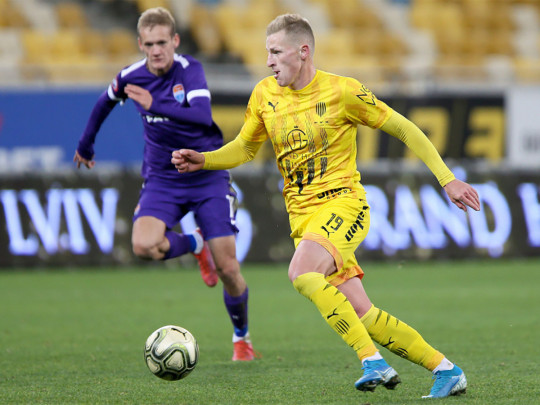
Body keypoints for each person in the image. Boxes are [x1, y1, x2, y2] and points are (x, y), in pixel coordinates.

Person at [172, 13, 481, 398]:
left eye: (276, 52)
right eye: (267, 52)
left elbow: (403, 127)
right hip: (304, 219)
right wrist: (205, 159)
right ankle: (446, 370)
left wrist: (447, 178)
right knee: (364, 314)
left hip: (344, 205)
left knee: (301, 273)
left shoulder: (343, 91)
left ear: (303, 52)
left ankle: (371, 361)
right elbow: (245, 149)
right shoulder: (264, 95)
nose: (268, 61)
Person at [74, 7, 257, 361]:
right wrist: (86, 144)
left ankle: (242, 338)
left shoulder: (190, 70)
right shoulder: (131, 76)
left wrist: (155, 103)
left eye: (162, 42)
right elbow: (103, 102)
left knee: (228, 269)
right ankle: (196, 242)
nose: (156, 50)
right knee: (143, 245)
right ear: (140, 44)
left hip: (205, 173)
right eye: (149, 44)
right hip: (163, 177)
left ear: (175, 41)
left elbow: (202, 116)